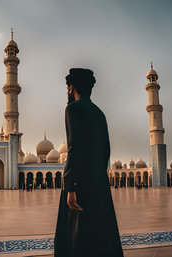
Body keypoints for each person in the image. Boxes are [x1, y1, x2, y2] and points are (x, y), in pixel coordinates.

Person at [54, 68, 123, 257]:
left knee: (76, 234)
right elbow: (105, 151)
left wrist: (71, 187)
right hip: (98, 182)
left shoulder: (73, 109)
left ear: (71, 88)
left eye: (68, 87)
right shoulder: (99, 113)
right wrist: (98, 176)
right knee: (98, 233)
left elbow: (74, 148)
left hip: (79, 182)